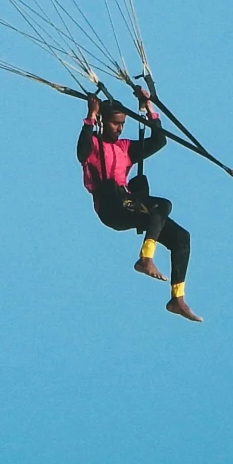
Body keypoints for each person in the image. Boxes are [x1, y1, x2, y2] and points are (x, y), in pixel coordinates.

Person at [77, 91, 201, 321]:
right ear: (104, 122)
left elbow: (159, 141)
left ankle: (177, 299)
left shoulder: (126, 148)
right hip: (110, 206)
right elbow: (81, 150)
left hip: (129, 205)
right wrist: (90, 116)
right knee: (161, 205)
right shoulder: (93, 144)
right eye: (115, 123)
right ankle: (145, 259)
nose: (119, 129)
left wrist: (149, 108)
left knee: (181, 237)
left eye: (122, 124)